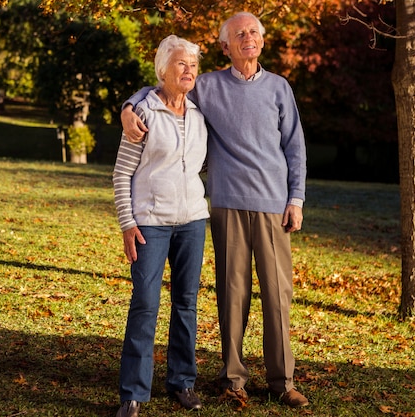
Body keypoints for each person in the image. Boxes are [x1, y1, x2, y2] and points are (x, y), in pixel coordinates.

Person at [121, 12, 309, 408]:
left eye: (254, 32)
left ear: (262, 40)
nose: (249, 39)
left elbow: (295, 147)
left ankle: (282, 380)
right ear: (225, 46)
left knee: (277, 297)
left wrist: (296, 199)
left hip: (274, 206)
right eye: (239, 34)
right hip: (225, 205)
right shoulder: (207, 86)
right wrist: (129, 105)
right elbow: (163, 88)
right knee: (232, 295)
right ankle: (233, 377)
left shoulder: (279, 88)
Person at [112, 35, 209, 417]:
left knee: (186, 303)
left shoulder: (201, 116)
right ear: (163, 69)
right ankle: (133, 393)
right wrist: (127, 223)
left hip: (192, 222)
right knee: (145, 305)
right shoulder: (143, 114)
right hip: (150, 224)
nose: (189, 71)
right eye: (182, 64)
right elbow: (121, 173)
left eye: (194, 65)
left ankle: (182, 382)